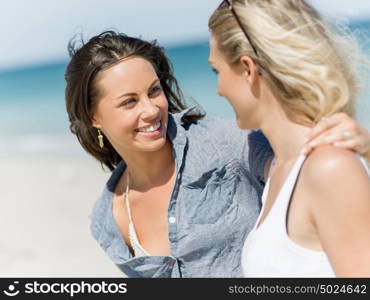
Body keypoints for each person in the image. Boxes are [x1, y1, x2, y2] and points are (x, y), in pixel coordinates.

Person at [65, 30, 370, 277]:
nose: (150, 110)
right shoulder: (107, 220)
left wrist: (359, 145)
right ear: (94, 117)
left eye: (154, 91)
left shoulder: (226, 143)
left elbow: (303, 167)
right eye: (129, 102)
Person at [208, 0, 370, 277]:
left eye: (217, 71)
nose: (218, 90)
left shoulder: (328, 168)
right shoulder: (277, 170)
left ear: (248, 69)